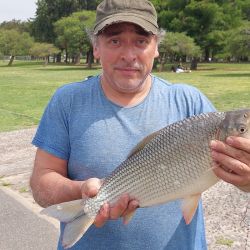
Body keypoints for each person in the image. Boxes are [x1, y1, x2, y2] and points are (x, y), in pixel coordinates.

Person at [30, 0, 250, 249]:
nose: (128, 55)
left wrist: (246, 180)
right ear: (96, 46)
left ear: (156, 46)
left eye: (141, 41)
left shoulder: (190, 101)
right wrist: (83, 191)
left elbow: (240, 174)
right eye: (115, 41)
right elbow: (41, 182)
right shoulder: (67, 101)